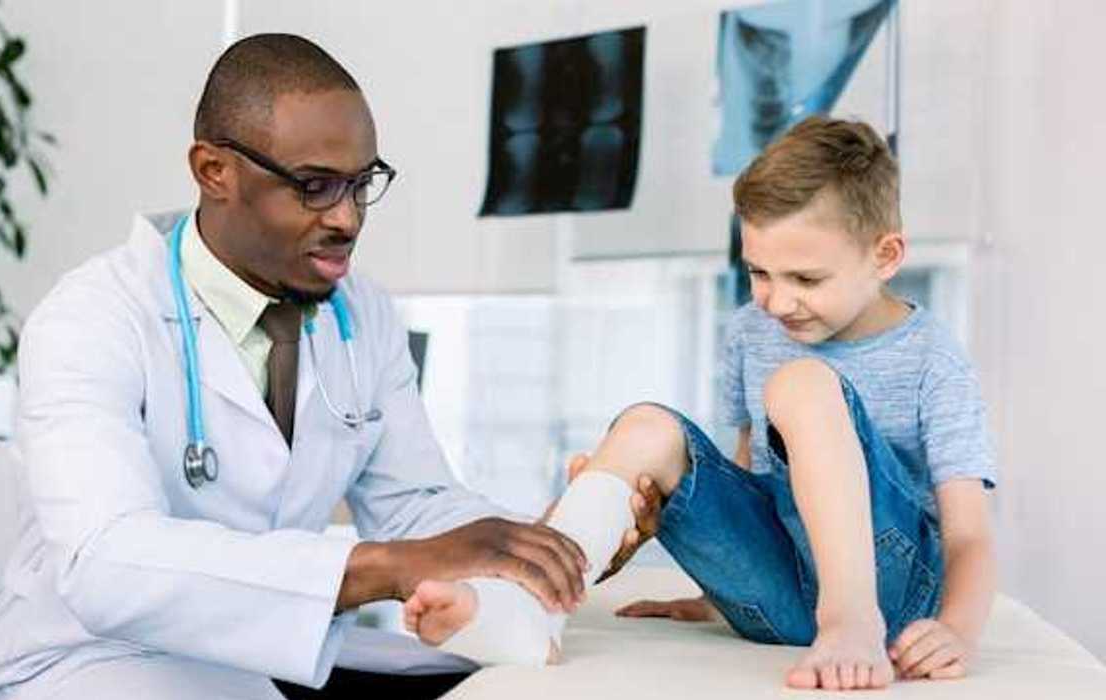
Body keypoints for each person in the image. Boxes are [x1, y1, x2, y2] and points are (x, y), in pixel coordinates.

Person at [0, 33, 659, 700]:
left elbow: (412, 504)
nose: (348, 219)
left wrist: (528, 544)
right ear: (214, 171)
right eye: (314, 186)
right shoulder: (93, 318)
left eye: (362, 184)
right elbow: (106, 565)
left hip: (270, 654)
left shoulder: (358, 311)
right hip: (94, 663)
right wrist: (388, 567)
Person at [403, 116, 998, 692]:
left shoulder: (932, 359)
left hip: (888, 597)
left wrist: (958, 633)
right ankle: (530, 606)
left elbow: (969, 533)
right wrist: (719, 590)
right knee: (646, 425)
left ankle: (849, 620)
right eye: (759, 272)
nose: (777, 301)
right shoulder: (751, 331)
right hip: (785, 591)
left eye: (806, 280)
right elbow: (748, 484)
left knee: (801, 385)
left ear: (886, 256)